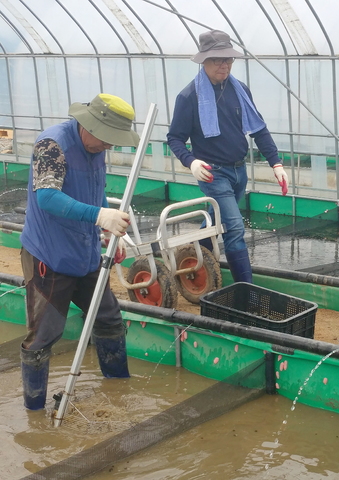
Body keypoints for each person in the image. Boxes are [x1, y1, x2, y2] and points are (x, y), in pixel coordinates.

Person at [20, 93, 139, 410]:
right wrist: (100, 216)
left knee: (110, 319)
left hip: (84, 253)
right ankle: (34, 410)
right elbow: (47, 197)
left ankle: (117, 390)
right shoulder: (53, 145)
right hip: (49, 256)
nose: (110, 146)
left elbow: (96, 191)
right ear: (90, 124)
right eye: (107, 139)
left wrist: (108, 231)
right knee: (44, 336)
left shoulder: (95, 148)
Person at [167, 29, 288, 283]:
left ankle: (192, 267)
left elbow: (258, 128)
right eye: (217, 60)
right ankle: (247, 291)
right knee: (234, 228)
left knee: (216, 220)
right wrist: (191, 161)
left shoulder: (239, 90)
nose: (224, 65)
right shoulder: (189, 97)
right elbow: (175, 138)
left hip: (238, 170)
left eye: (228, 59)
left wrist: (276, 162)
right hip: (213, 173)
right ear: (204, 61)